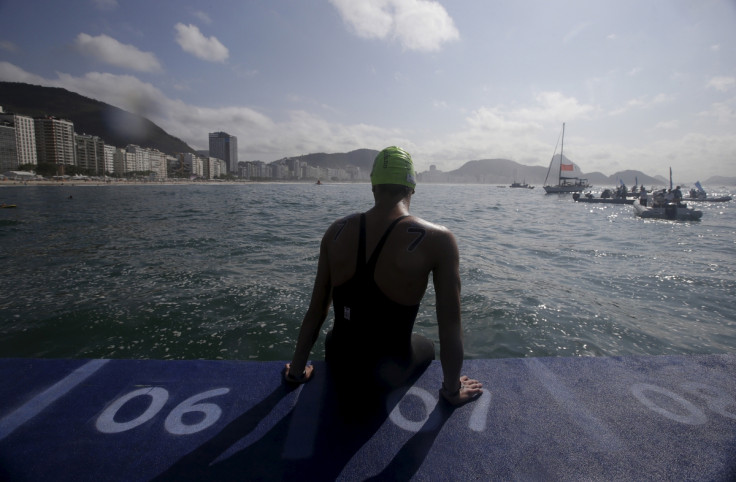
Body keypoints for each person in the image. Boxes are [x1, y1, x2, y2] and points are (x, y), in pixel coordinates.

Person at [284, 146, 482, 406]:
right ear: (412, 188)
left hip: (339, 359)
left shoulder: (335, 231)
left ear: (373, 186)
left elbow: (316, 310)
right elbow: (450, 324)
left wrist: (297, 371)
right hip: (389, 372)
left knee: (337, 333)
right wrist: (453, 390)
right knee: (425, 343)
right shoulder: (439, 240)